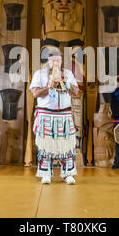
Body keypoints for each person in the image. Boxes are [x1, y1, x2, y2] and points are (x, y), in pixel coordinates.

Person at [29, 53, 79, 184]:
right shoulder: (39, 74)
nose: (56, 63)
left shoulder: (68, 74)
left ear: (62, 61)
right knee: (45, 145)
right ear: (48, 62)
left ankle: (68, 174)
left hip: (64, 114)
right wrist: (51, 85)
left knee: (67, 144)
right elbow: (35, 93)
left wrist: (65, 82)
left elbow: (76, 92)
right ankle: (46, 174)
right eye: (53, 61)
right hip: (46, 113)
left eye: (58, 60)